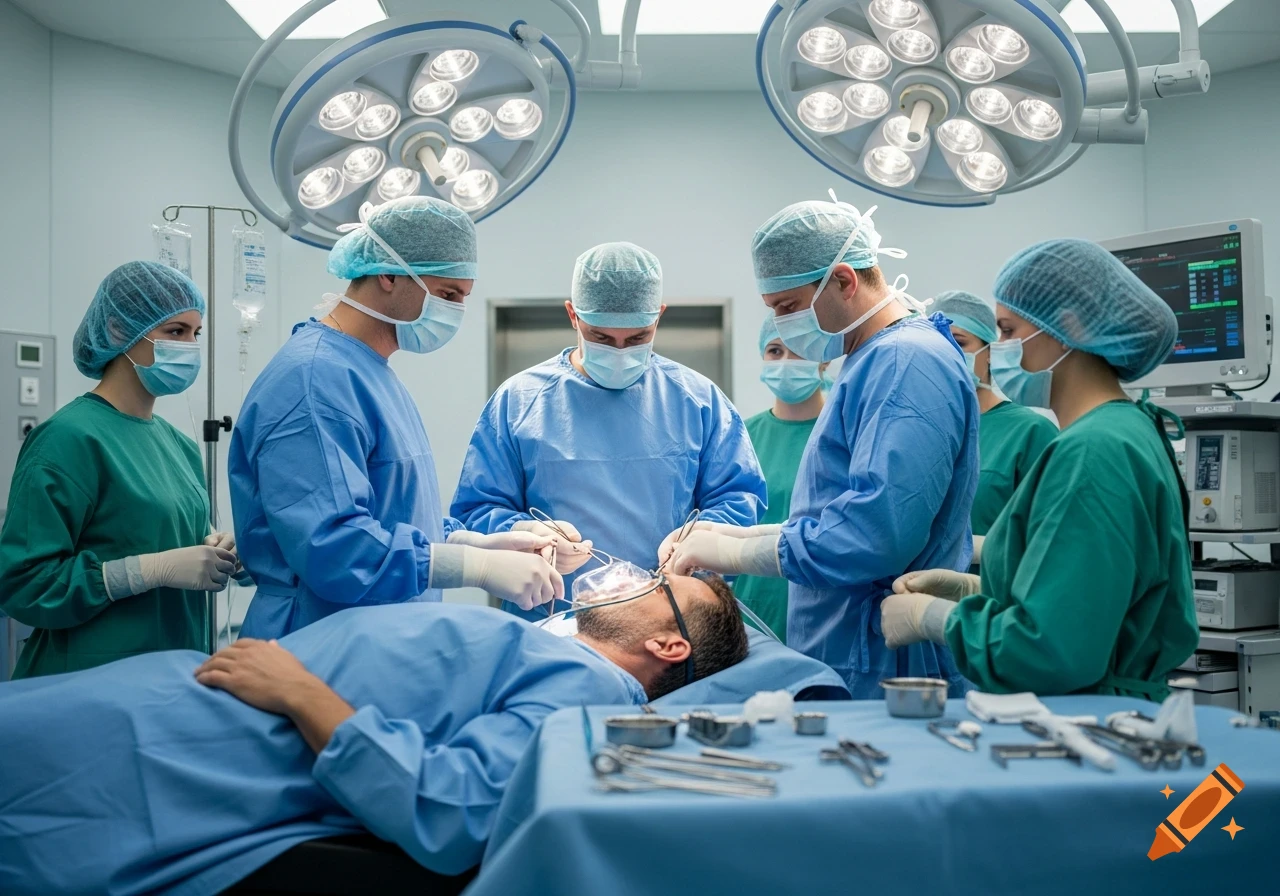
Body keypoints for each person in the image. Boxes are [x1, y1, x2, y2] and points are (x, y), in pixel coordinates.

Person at [0, 573, 749, 894]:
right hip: (175, 709)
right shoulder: (556, 653)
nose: (631, 580)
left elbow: (450, 811)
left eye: (657, 590)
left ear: (670, 648)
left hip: (172, 749)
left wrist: (304, 694)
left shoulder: (591, 692)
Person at [666, 196, 979, 698]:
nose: (785, 324)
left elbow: (878, 532)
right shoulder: (870, 360)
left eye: (788, 307)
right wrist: (738, 539)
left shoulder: (906, 363)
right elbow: (834, 510)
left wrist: (735, 551)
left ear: (844, 281)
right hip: (853, 648)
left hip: (884, 663)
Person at [230, 198, 562, 640]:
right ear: (387, 273)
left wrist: (476, 542)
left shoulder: (369, 372)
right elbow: (334, 548)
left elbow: (393, 513)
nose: (456, 311)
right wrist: (474, 567)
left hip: (369, 643)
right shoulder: (313, 381)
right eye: (447, 294)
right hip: (313, 646)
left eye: (463, 297)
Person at [882, 239, 1198, 700]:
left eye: (1008, 331)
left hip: (1098, 724)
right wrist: (975, 589)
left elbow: (1050, 651)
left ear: (1066, 326)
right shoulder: (1127, 428)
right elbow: (1088, 596)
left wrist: (932, 619)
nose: (1001, 349)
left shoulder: (1095, 452)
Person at [450, 241, 767, 616]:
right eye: (601, 338)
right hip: (552, 618)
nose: (620, 352)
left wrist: (699, 538)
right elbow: (477, 509)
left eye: (637, 339)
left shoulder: (697, 399)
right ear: (573, 315)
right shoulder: (519, 400)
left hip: (668, 616)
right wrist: (531, 535)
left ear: (658, 317)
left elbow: (739, 499)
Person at [0, 261, 238, 678]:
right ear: (116, 331)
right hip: (90, 680)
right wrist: (142, 572)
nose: (190, 346)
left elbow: (166, 537)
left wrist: (221, 552)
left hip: (174, 671)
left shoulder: (178, 445)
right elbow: (22, 583)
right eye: (175, 332)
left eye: (196, 334)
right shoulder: (68, 439)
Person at [732, 316, 830, 641]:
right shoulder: (739, 436)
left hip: (827, 606)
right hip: (752, 608)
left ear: (825, 356)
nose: (786, 362)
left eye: (800, 349)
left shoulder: (843, 434)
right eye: (775, 351)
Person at [934, 290, 1057, 540]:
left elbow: (1053, 535)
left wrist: (984, 553)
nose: (947, 354)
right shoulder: (924, 431)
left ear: (990, 351)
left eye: (959, 342)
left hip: (995, 578)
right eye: (936, 344)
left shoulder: (1030, 432)